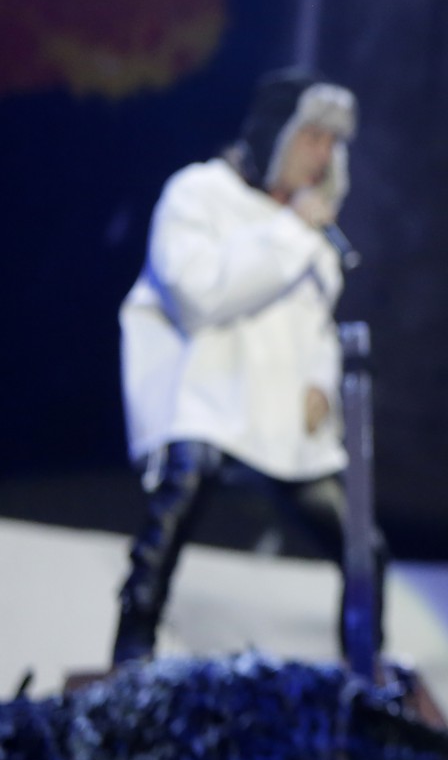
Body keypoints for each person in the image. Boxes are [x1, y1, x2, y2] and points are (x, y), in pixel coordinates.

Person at [112, 68, 385, 667]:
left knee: (362, 545)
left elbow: (318, 321)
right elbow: (200, 294)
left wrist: (318, 381)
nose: (324, 155)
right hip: (208, 400)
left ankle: (366, 673)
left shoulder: (310, 228)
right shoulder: (199, 194)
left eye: (332, 144)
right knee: (172, 516)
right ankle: (131, 654)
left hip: (279, 421)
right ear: (278, 134)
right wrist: (289, 232)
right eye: (313, 138)